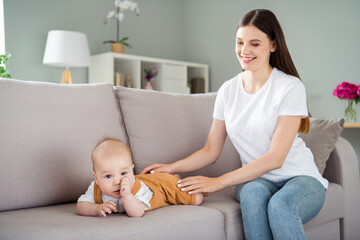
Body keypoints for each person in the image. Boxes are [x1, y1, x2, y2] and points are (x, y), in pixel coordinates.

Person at [141, 9, 328, 239]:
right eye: (239, 42)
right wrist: (171, 167)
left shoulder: (290, 87)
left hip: (300, 177)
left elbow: (275, 158)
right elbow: (210, 151)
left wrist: (218, 182)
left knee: (281, 205)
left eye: (255, 43)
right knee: (251, 196)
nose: (244, 51)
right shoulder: (228, 91)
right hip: (256, 180)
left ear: (273, 45)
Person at [76, 138, 203, 217]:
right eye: (108, 176)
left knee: (196, 198)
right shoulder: (95, 188)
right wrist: (95, 209)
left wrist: (127, 196)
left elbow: (138, 213)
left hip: (161, 187)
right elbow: (80, 206)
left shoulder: (136, 188)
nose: (117, 182)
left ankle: (175, 179)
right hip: (148, 180)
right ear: (96, 178)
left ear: (131, 170)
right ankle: (173, 177)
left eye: (124, 173)